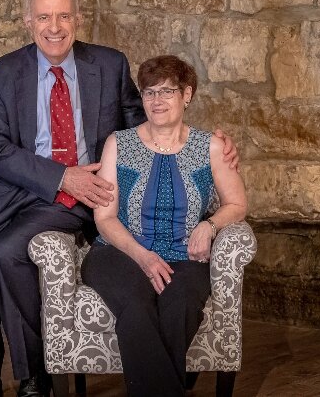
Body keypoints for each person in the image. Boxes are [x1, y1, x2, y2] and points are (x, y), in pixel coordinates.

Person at [0, 0, 239, 397]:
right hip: (17, 193)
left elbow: (141, 121)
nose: (55, 27)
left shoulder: (107, 64)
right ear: (28, 21)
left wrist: (207, 145)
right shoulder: (1, 75)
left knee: (5, 254)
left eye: (64, 15)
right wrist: (59, 175)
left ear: (78, 18)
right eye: (44, 17)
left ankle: (34, 379)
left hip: (83, 193)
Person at [81, 55, 248, 397]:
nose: (156, 101)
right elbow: (105, 218)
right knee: (136, 309)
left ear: (186, 95)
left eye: (167, 91)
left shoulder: (211, 148)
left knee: (180, 306)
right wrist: (142, 256)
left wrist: (210, 226)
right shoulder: (119, 144)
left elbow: (237, 204)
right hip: (119, 252)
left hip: (185, 255)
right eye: (149, 92)